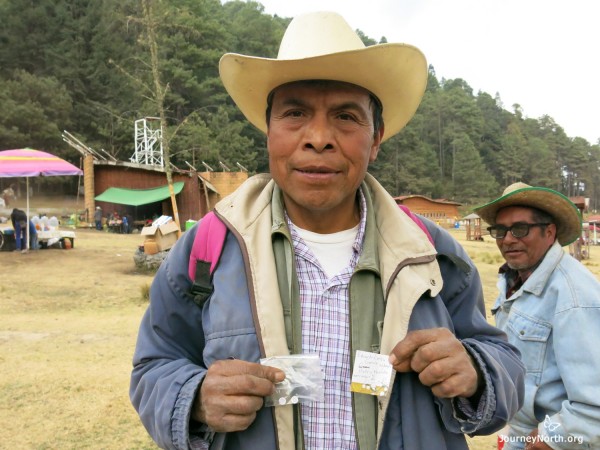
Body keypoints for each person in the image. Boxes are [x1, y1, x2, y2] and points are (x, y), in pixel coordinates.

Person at [130, 11, 525, 450]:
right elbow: (154, 365)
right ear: (269, 132)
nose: (318, 137)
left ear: (375, 141)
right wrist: (195, 399)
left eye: (346, 117)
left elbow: (504, 362)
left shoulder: (434, 255)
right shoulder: (208, 249)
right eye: (295, 112)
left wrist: (474, 370)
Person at [474, 182, 600, 449]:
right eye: (500, 230)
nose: (508, 239)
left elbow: (594, 408)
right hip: (519, 433)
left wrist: (551, 435)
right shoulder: (514, 279)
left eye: (520, 229)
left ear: (549, 232)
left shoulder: (574, 297)